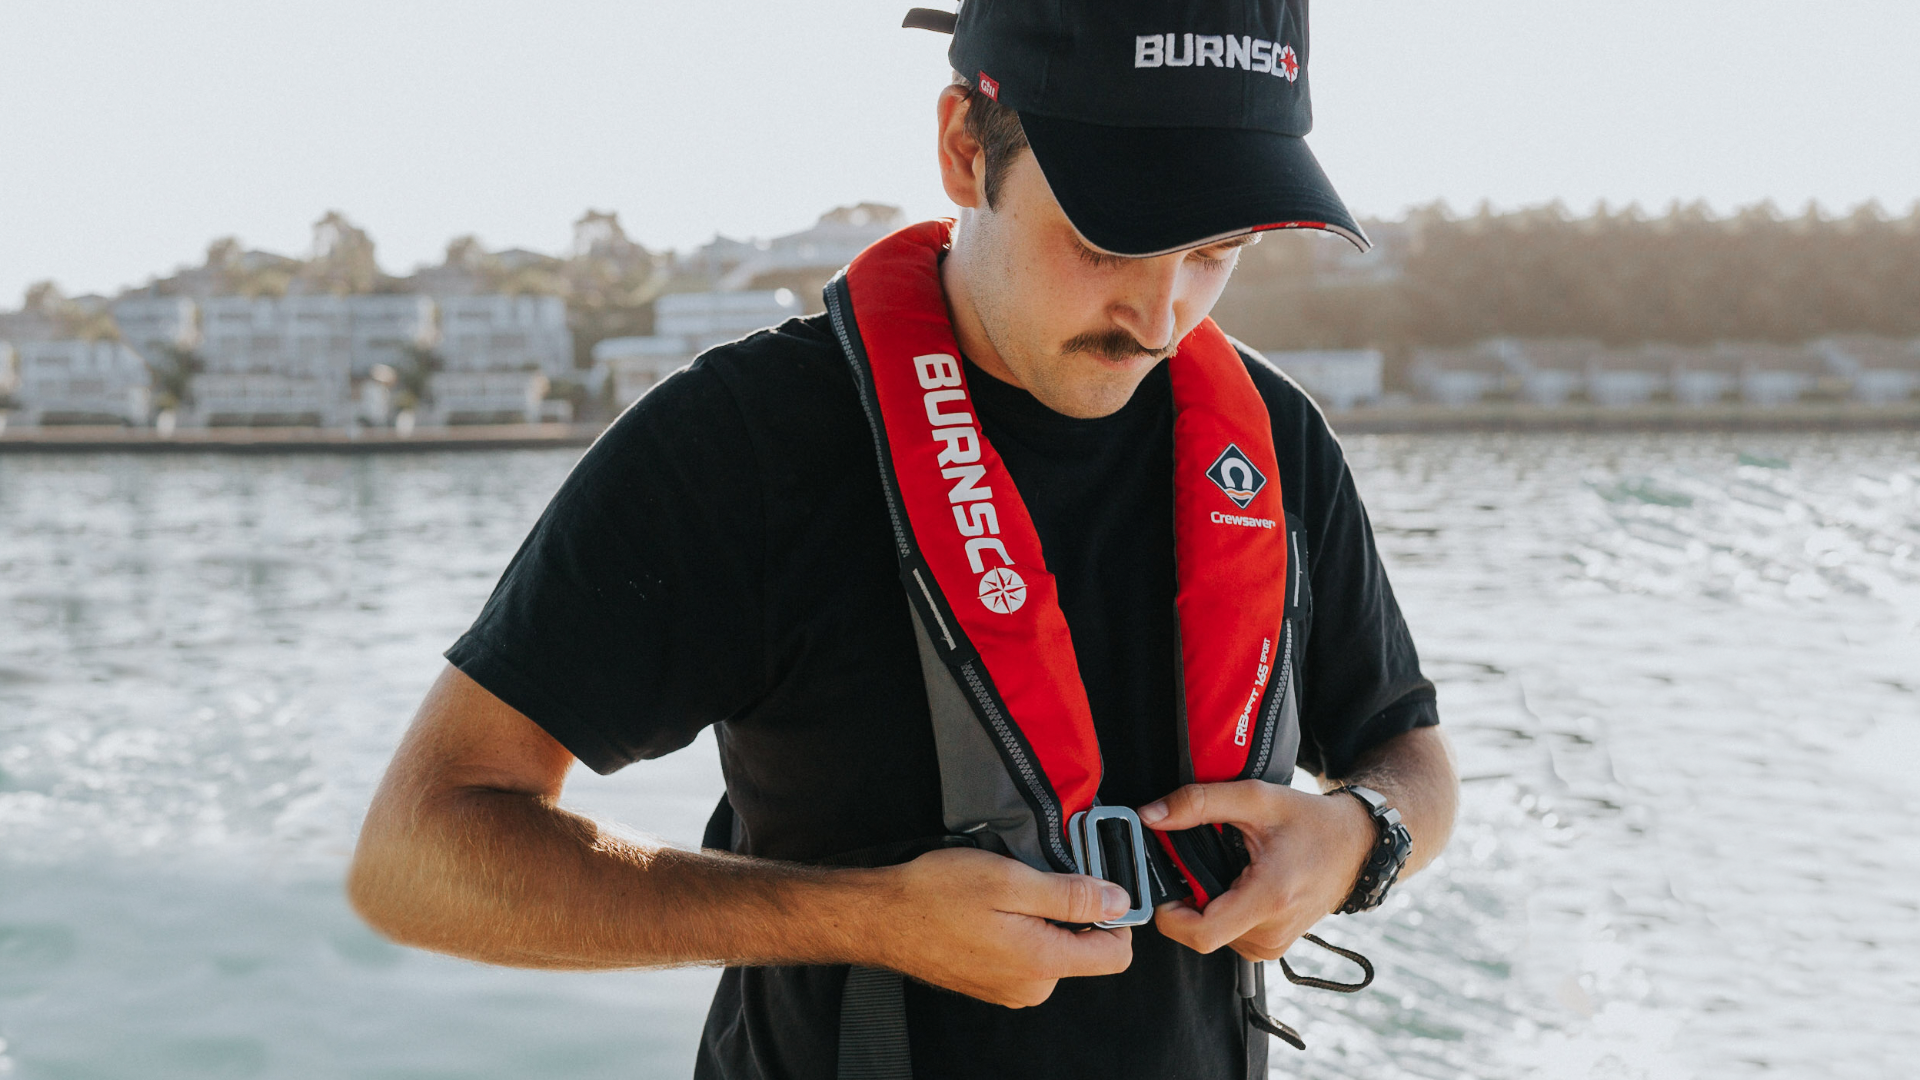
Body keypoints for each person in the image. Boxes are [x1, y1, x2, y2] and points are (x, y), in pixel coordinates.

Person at [349, 3, 1459, 1078]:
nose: (1161, 315)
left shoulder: (1277, 447)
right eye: (1105, 239)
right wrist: (865, 920)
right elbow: (417, 855)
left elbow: (1409, 755)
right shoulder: (743, 444)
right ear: (965, 148)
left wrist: (1364, 840)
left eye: (1217, 249)